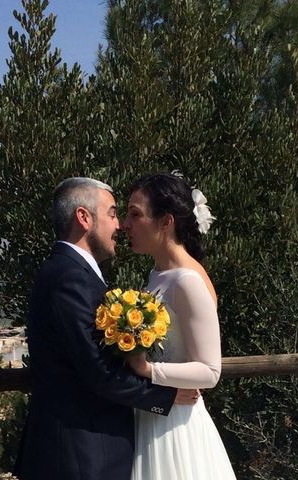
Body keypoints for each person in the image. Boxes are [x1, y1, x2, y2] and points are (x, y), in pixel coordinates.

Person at [13, 177, 198, 480]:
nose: (120, 225)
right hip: (79, 457)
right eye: (112, 213)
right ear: (84, 218)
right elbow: (99, 371)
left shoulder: (71, 272)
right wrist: (167, 396)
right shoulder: (68, 278)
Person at [123, 172, 237, 479]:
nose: (125, 225)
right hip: (152, 413)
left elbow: (210, 371)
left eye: (135, 215)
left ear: (166, 221)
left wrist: (147, 370)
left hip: (177, 422)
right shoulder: (158, 274)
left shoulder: (188, 281)